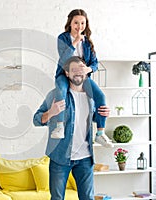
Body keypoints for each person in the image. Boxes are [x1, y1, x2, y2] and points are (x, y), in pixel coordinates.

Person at [33, 56, 110, 200]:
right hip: (60, 157)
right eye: (73, 70)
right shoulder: (56, 95)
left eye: (81, 68)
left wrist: (103, 114)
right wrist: (51, 112)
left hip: (86, 157)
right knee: (57, 198)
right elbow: (36, 120)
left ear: (86, 71)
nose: (78, 72)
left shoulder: (92, 97)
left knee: (87, 197)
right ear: (67, 73)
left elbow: (88, 119)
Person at [52, 9, 113, 148]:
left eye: (82, 23)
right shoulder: (63, 38)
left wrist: (88, 69)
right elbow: (63, 59)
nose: (79, 26)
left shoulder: (87, 42)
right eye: (76, 23)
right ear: (70, 23)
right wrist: (75, 43)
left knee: (101, 97)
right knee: (60, 91)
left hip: (82, 77)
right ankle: (60, 126)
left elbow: (95, 63)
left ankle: (100, 133)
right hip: (64, 74)